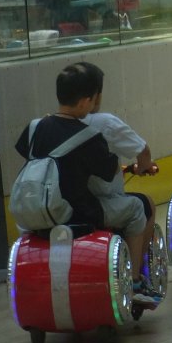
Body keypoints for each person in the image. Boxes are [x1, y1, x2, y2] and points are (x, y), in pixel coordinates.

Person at [81, 74, 162, 305]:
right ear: (96, 96)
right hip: (101, 205)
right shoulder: (104, 122)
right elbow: (142, 150)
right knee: (143, 204)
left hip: (66, 205)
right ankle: (136, 278)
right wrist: (144, 167)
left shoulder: (52, 125)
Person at [14, 62, 120, 232]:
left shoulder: (34, 127)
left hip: (35, 212)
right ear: (84, 102)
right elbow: (111, 170)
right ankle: (135, 259)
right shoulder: (90, 137)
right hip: (78, 214)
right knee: (137, 208)